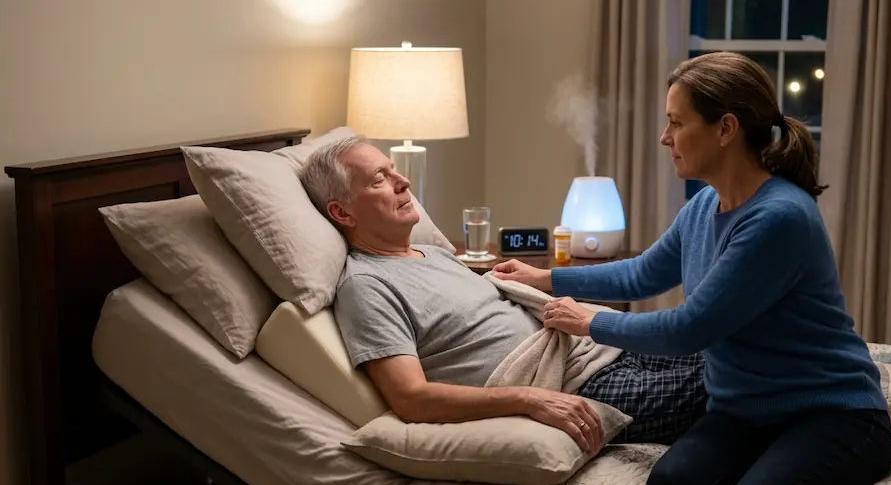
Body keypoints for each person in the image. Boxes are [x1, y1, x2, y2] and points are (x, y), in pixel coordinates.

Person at [491, 51, 891, 485]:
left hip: (833, 416)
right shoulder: (706, 204)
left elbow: (688, 329)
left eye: (678, 122)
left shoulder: (779, 217)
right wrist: (545, 278)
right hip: (743, 413)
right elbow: (642, 274)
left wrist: (589, 323)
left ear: (726, 128)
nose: (664, 137)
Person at [299, 135, 707, 453]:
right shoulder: (367, 286)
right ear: (342, 213)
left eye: (393, 170)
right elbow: (411, 398)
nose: (402, 181)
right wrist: (530, 399)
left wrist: (543, 280)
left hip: (598, 350)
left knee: (736, 349)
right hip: (578, 385)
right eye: (379, 179)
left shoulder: (436, 253)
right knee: (723, 384)